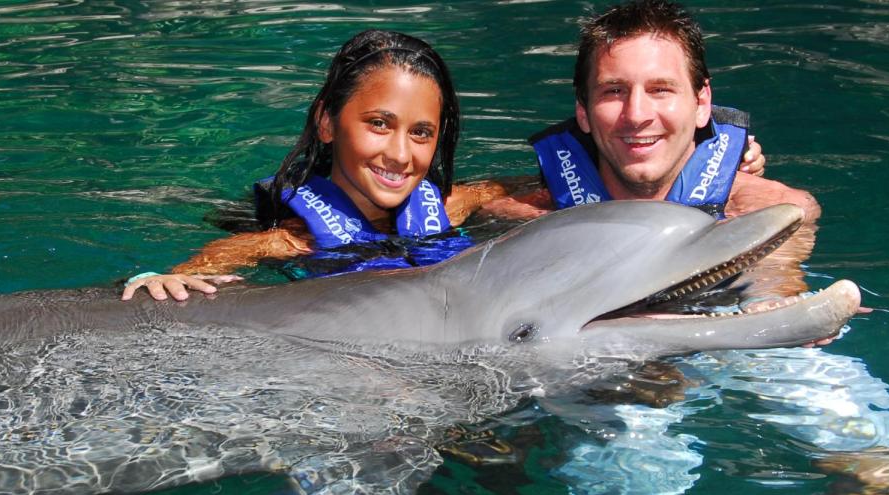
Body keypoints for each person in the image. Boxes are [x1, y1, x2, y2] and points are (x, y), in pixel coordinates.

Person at [123, 22, 765, 301]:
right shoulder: (291, 240)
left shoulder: (449, 204)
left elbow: (537, 186)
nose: (400, 155)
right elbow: (217, 263)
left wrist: (714, 158)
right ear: (326, 121)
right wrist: (165, 275)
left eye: (422, 134)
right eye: (378, 124)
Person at [478, 0, 818, 224]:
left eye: (660, 90)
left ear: (702, 104)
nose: (637, 114)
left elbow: (772, 293)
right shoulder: (526, 214)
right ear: (583, 111)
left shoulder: (772, 213)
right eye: (614, 91)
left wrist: (769, 294)